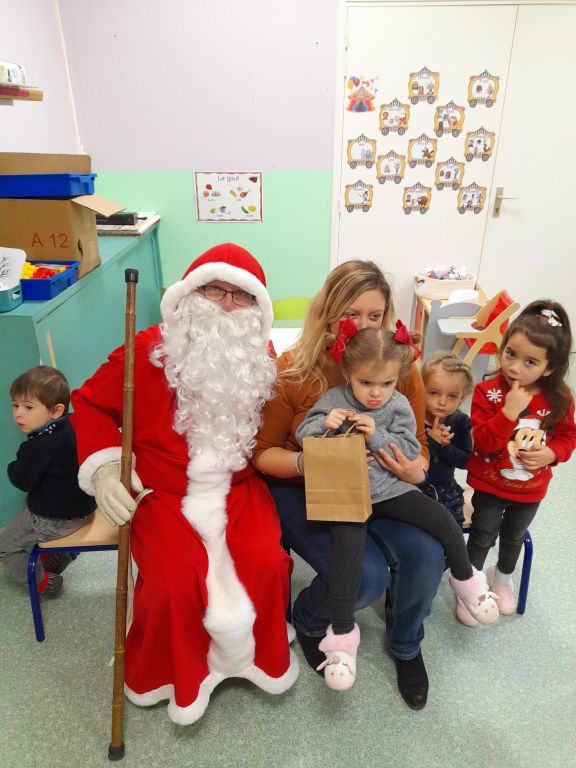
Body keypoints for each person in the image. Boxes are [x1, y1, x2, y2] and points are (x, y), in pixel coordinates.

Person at [70, 243, 298, 725]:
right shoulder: (145, 350)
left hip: (241, 489)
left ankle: (255, 661)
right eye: (215, 289)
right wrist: (107, 468)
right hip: (165, 493)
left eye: (240, 295)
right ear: (190, 294)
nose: (226, 304)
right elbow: (88, 404)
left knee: (267, 562)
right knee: (174, 580)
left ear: (257, 307)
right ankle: (178, 677)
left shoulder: (260, 354)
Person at [254, 260, 445, 711]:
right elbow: (263, 454)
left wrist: (411, 468)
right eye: (351, 314)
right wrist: (311, 461)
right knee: (362, 575)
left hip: (383, 481)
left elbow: (418, 449)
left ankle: (405, 644)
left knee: (428, 554)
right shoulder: (294, 370)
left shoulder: (401, 367)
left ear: (388, 318)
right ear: (327, 312)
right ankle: (308, 618)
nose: (362, 326)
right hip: (304, 488)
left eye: (374, 316)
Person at [295, 326, 498, 691]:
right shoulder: (334, 399)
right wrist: (322, 424)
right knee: (347, 556)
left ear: (396, 380)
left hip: (390, 490)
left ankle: (466, 580)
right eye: (366, 383)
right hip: (347, 496)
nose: (376, 393)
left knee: (438, 518)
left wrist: (376, 433)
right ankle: (341, 639)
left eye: (386, 384)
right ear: (348, 375)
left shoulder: (399, 405)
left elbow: (407, 451)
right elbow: (304, 435)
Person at [462, 299, 576, 626]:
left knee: (514, 537)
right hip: (489, 483)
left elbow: (568, 435)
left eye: (530, 362)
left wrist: (552, 453)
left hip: (530, 490)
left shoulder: (560, 398)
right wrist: (509, 411)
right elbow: (482, 442)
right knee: (483, 535)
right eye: (510, 353)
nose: (515, 367)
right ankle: (471, 588)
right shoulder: (488, 392)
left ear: (549, 367)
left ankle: (502, 577)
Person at [0, 366, 95, 597]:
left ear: (55, 411)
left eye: (28, 407)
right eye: (15, 405)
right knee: (29, 502)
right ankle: (60, 554)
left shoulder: (38, 446)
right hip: (83, 508)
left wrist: (12, 466)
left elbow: (21, 479)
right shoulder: (71, 425)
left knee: (4, 547)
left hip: (56, 520)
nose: (18, 414)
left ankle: (45, 584)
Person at [420, 351, 474, 525]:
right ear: (422, 389)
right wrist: (431, 442)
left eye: (452, 396)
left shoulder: (461, 421)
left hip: (446, 490)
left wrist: (444, 446)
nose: (442, 402)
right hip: (413, 489)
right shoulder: (412, 416)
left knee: (451, 532)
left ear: (462, 397)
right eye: (434, 393)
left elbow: (465, 461)